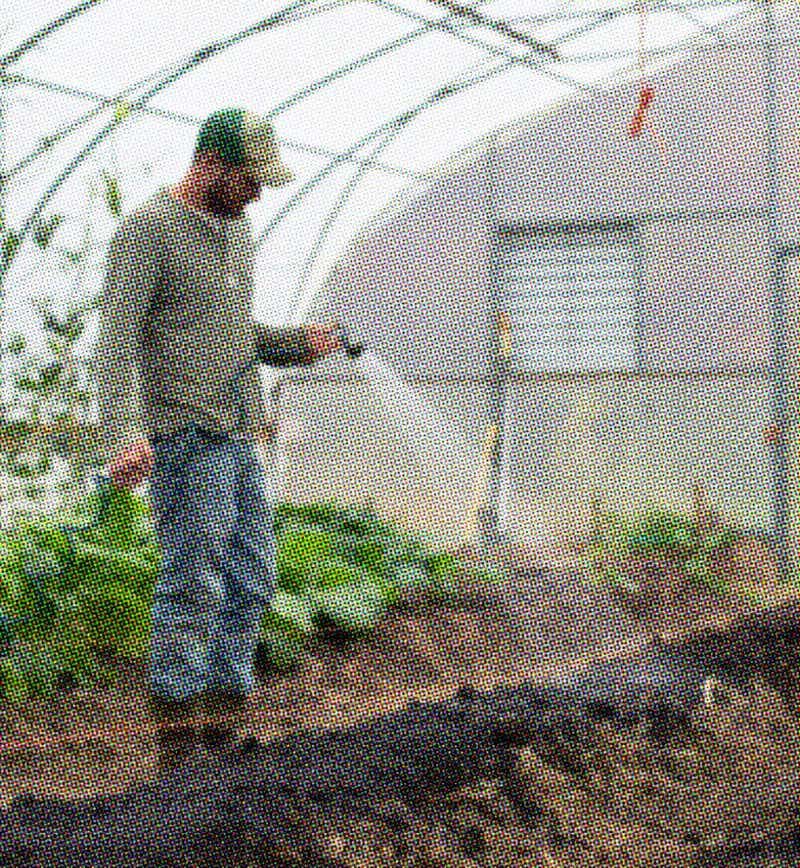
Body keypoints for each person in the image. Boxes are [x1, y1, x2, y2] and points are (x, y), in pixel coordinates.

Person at [96, 107, 342, 772]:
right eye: (249, 180)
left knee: (254, 580)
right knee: (193, 587)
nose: (258, 193)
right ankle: (175, 763)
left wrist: (295, 345)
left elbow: (234, 331)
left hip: (236, 434)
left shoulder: (238, 230)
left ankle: (223, 744)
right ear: (209, 165)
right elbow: (116, 342)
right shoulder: (148, 230)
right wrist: (122, 433)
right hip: (184, 437)